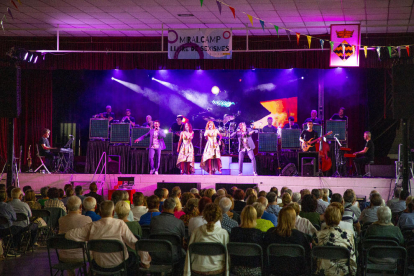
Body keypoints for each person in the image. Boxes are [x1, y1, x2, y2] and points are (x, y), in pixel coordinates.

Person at [65, 201, 151, 274]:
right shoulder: (120, 224)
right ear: (113, 213)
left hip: (98, 265)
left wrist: (87, 237)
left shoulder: (92, 226)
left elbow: (69, 235)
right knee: (133, 257)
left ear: (100, 212)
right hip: (119, 264)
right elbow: (133, 242)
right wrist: (145, 260)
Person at [184, 203, 229, 276]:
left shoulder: (196, 232)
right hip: (216, 269)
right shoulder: (224, 233)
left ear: (204, 215)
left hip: (198, 268)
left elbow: (189, 254)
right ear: (219, 216)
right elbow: (227, 257)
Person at [264, 207, 311, 276]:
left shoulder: (270, 233)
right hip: (296, 271)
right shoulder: (300, 236)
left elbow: (264, 253)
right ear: (293, 219)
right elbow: (307, 257)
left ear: (279, 218)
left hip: (274, 270)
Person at [313, 204, 356, 276]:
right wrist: (353, 272)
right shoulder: (349, 234)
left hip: (322, 272)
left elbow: (314, 258)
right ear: (339, 219)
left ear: (325, 219)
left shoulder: (317, 235)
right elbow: (352, 257)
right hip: (343, 272)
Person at [58, 196, 93, 276]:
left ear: (66, 207)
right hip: (83, 255)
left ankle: (70, 273)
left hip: (64, 256)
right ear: (81, 206)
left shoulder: (61, 220)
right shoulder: (87, 219)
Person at [230, 205, 264, 276]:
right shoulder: (258, 233)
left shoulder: (234, 232)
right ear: (254, 218)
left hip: (236, 269)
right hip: (255, 270)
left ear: (241, 216)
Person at [150, 198, 186, 262]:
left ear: (162, 207)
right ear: (175, 209)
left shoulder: (153, 220)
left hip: (154, 254)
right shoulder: (179, 222)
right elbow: (182, 242)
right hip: (173, 255)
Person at [8, 188, 38, 252]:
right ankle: (31, 244)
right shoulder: (24, 205)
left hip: (11, 226)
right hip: (24, 226)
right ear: (20, 196)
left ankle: (16, 246)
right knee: (35, 225)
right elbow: (30, 215)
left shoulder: (8, 205)